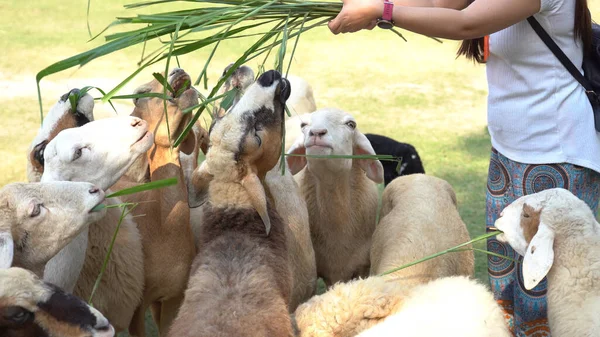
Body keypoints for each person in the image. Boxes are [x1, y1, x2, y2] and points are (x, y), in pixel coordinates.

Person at [327, 0, 599, 336]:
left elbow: (466, 24)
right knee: (506, 291)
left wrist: (383, 11)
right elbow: (438, 4)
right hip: (509, 154)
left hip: (554, 156)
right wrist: (378, 6)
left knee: (547, 293)